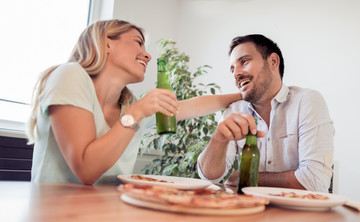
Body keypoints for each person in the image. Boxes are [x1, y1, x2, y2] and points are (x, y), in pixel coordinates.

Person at [26, 19, 242, 185]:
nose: (147, 55)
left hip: (107, 211)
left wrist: (244, 95)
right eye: (138, 42)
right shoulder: (69, 75)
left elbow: (193, 106)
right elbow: (86, 170)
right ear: (106, 43)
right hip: (56, 215)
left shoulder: (129, 104)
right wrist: (137, 113)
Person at [197, 34, 334, 192]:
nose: (236, 74)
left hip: (298, 213)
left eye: (244, 61)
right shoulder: (235, 109)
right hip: (248, 210)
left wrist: (246, 178)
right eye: (232, 69)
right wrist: (217, 139)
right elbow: (209, 176)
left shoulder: (307, 101)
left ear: (273, 62)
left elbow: (313, 181)